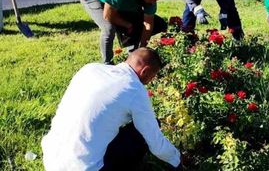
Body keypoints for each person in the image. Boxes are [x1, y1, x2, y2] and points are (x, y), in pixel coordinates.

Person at [41, 48, 181, 170]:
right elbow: (156, 143)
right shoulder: (134, 89)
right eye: (152, 77)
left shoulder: (89, 69)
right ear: (145, 71)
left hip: (51, 158)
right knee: (141, 134)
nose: (150, 81)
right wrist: (177, 160)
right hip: (86, 168)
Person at [80, 0, 167, 64]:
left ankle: (131, 59)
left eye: (156, 0)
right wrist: (126, 24)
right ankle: (107, 63)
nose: (153, 2)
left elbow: (148, 24)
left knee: (137, 23)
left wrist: (142, 48)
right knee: (109, 28)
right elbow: (108, 16)